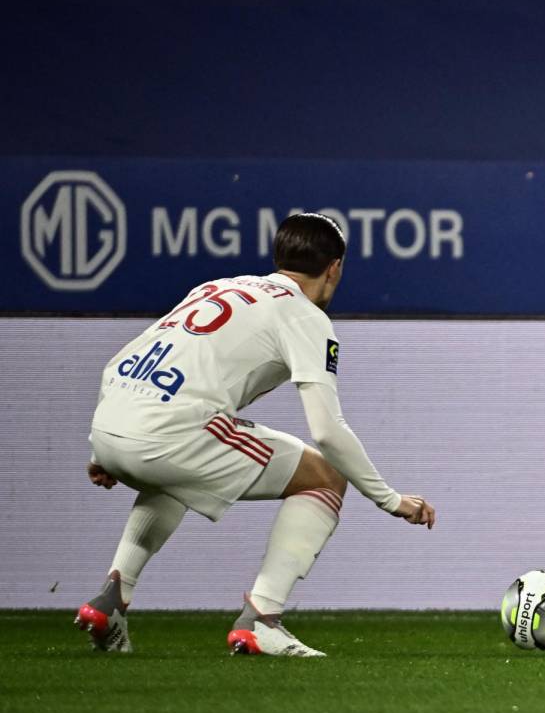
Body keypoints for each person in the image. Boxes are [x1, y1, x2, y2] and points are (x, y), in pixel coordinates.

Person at [77, 213, 435, 657]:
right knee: (325, 475)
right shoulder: (305, 315)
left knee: (179, 473)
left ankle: (113, 597)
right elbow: (326, 431)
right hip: (169, 430)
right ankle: (262, 619)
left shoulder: (217, 286)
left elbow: (117, 362)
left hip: (114, 420)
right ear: (335, 267)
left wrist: (102, 448)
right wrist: (390, 499)